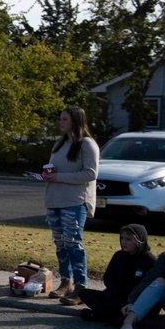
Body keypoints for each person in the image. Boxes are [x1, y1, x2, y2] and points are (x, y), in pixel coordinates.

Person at [43, 105, 99, 306]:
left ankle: (80, 287)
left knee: (73, 243)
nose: (61, 122)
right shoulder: (60, 144)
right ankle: (65, 282)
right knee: (60, 243)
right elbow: (56, 169)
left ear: (75, 121)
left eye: (65, 119)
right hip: (55, 200)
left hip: (75, 202)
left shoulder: (87, 144)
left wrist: (58, 177)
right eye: (61, 118)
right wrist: (48, 175)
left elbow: (91, 173)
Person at [79, 224, 155, 322]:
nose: (124, 242)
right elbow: (108, 278)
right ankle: (112, 317)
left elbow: (148, 285)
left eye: (128, 239)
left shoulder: (149, 260)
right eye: (122, 238)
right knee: (84, 293)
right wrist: (113, 292)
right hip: (115, 295)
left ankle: (100, 315)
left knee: (121, 304)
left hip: (134, 299)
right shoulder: (119, 255)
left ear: (140, 241)